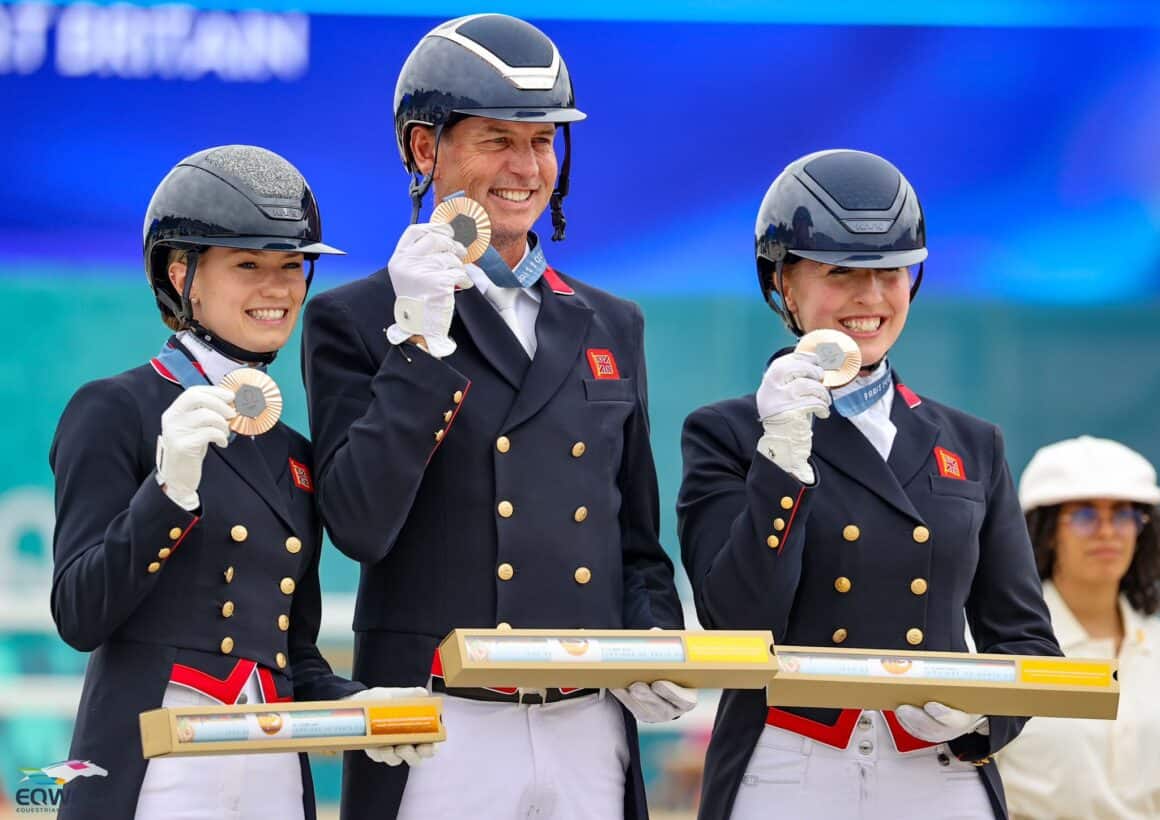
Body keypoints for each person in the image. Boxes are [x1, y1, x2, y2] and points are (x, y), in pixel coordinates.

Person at [301, 14, 691, 820]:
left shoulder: (612, 323)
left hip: (589, 719)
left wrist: (658, 644)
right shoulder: (357, 317)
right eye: (496, 141)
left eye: (543, 141)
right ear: (423, 148)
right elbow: (359, 524)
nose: (526, 167)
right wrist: (418, 343)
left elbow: (636, 546)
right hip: (440, 719)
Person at [676, 149, 1061, 820]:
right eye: (841, 273)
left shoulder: (972, 445)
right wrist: (782, 459)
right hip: (788, 764)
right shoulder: (729, 434)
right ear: (785, 287)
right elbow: (738, 621)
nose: (871, 298)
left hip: (940, 770)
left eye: (890, 273)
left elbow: (1025, 640)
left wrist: (982, 713)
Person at [49, 145, 430, 820]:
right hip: (154, 765)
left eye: (292, 266)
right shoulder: (114, 409)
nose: (278, 288)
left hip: (271, 771)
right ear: (182, 273)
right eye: (248, 265)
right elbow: (80, 614)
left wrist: (352, 703)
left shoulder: (294, 453)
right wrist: (168, 492)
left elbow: (291, 654)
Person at [996, 435, 1160, 819]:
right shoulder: (1001, 643)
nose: (1107, 532)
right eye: (1086, 516)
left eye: (1123, 514)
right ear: (1048, 530)